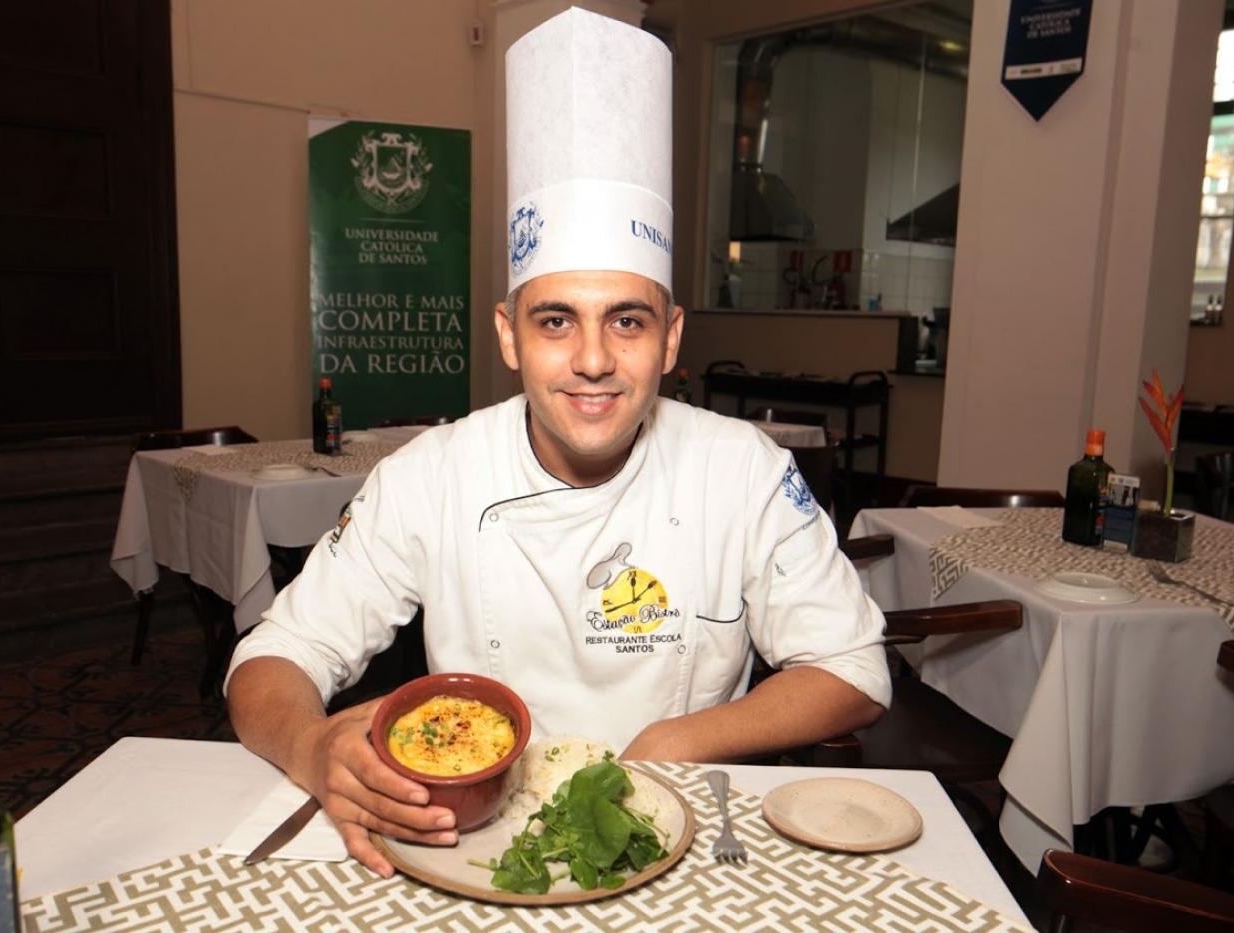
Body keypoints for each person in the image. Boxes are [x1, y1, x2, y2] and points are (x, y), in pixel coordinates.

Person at [225, 8, 889, 878]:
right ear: (508, 335)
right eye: (554, 320)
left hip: (686, 837)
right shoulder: (430, 474)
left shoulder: (747, 471)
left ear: (673, 336)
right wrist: (313, 747)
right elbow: (269, 661)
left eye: (627, 319)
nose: (592, 361)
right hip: (469, 846)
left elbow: (854, 670)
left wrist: (676, 741)